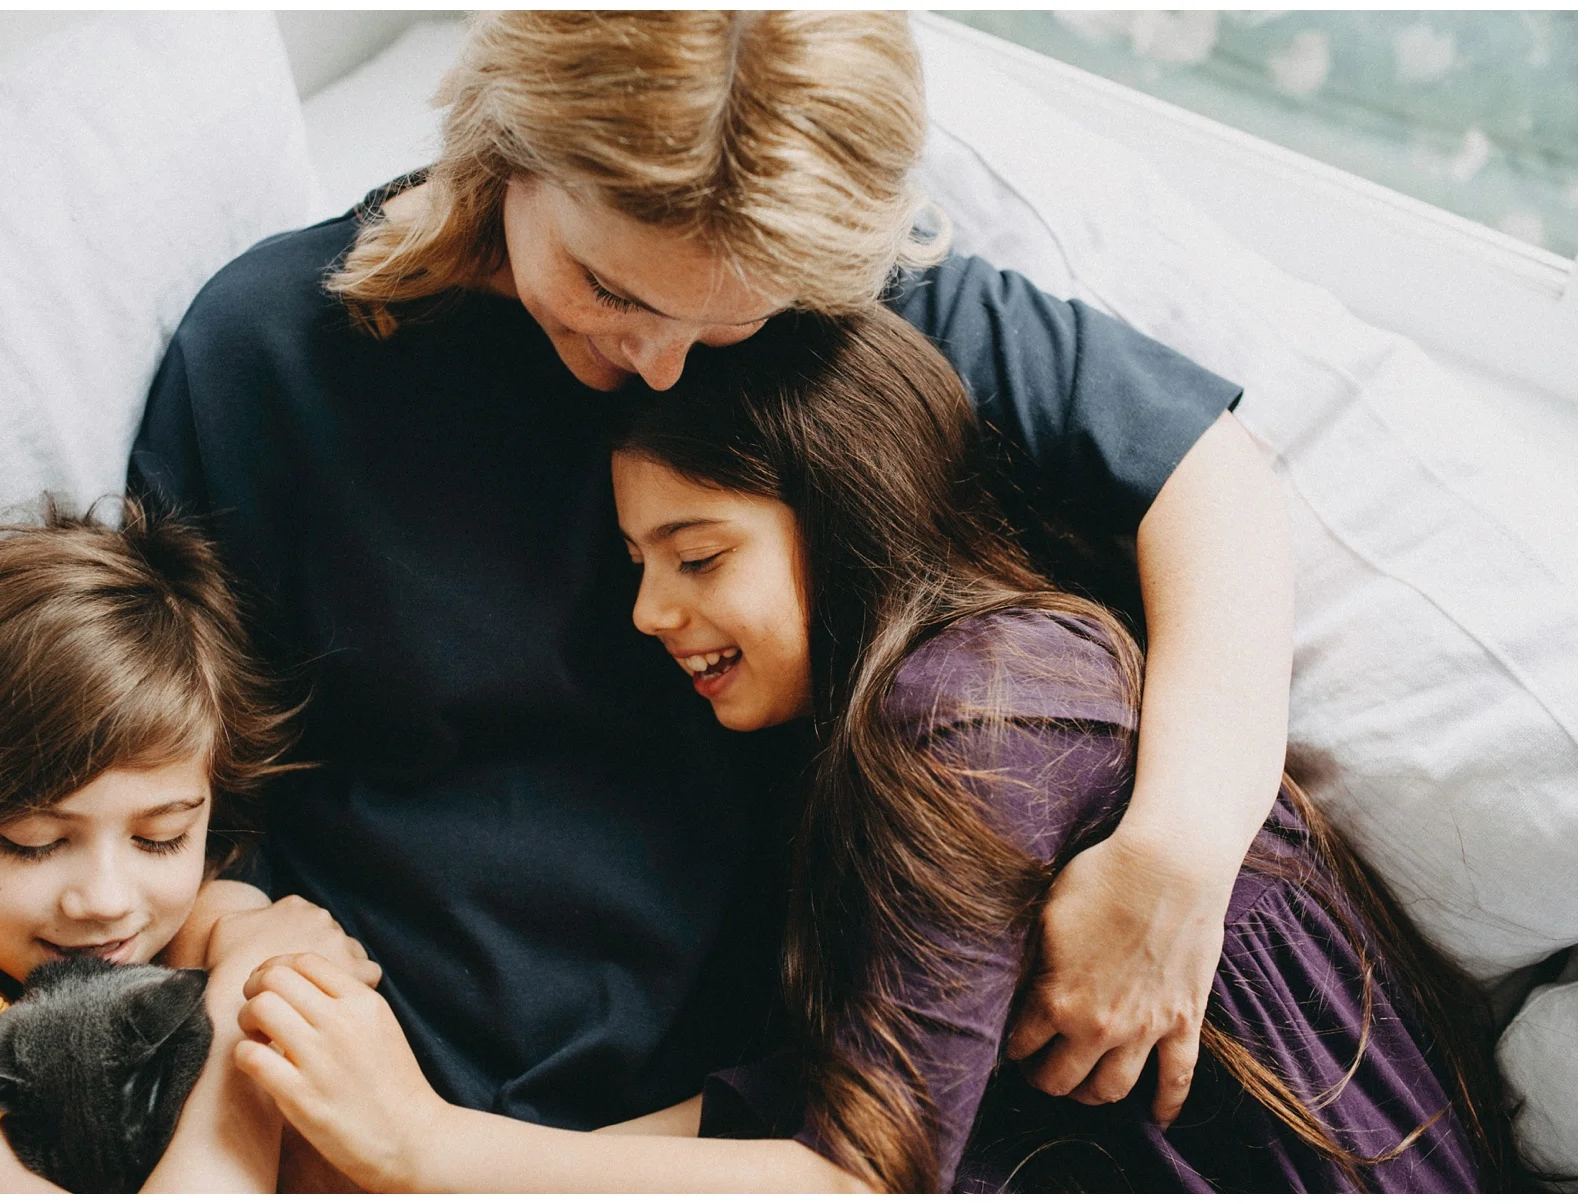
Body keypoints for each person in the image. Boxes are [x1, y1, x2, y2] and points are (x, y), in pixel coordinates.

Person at [129, 10, 1293, 1137]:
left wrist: (1176, 856)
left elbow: (1211, 480)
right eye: (610, 289)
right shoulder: (269, 350)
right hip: (378, 1059)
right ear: (504, 148)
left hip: (743, 1119)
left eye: (727, 323)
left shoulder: (839, 301)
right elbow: (170, 758)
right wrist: (239, 939)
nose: (657, 364)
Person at [229, 307, 1529, 1192]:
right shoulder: (921, 717)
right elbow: (842, 1098)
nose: (650, 613)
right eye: (638, 565)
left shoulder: (977, 715)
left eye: (699, 557)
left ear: (843, 513)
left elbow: (860, 1177)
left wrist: (428, 1151)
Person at [0, 501, 378, 1193]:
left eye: (160, 839)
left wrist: (238, 934)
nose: (104, 901)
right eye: (34, 844)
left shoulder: (188, 947)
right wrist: (242, 1034)